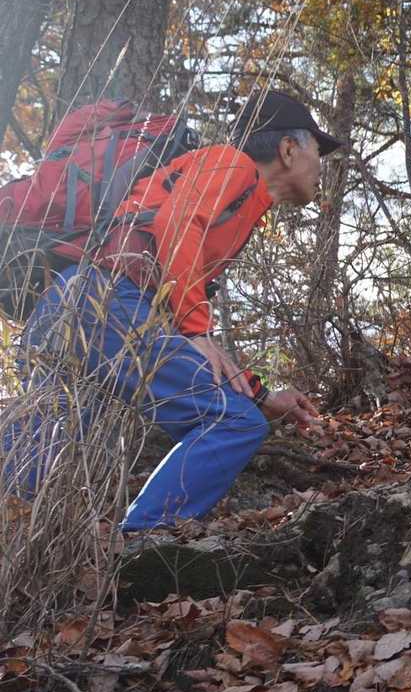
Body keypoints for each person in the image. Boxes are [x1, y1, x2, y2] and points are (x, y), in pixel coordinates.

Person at [4, 90, 339, 532]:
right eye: (317, 150)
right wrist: (199, 331)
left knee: (39, 450)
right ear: (288, 149)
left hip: (71, 302)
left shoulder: (239, 199)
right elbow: (176, 224)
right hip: (108, 303)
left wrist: (261, 395)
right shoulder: (232, 164)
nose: (321, 165)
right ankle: (145, 542)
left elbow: (177, 324)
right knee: (233, 422)